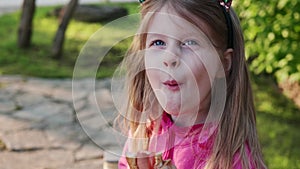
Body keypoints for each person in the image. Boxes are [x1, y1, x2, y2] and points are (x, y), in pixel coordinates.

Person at [116, 0, 266, 168]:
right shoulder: (145, 130)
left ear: (223, 63)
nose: (170, 58)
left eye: (189, 43)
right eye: (158, 42)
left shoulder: (231, 160)